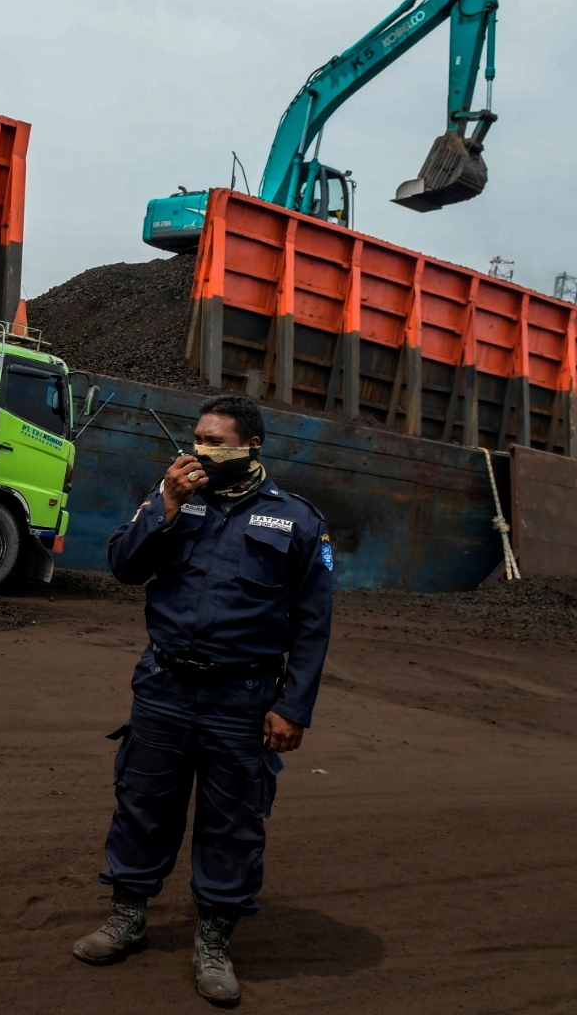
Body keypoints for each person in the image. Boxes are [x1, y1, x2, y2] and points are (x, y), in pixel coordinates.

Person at [71, 394, 333, 1006]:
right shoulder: (172, 499)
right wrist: (164, 506)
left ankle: (213, 943)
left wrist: (294, 707)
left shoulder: (296, 521)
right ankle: (126, 920)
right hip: (164, 687)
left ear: (251, 447)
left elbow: (313, 624)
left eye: (216, 442)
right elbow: (124, 566)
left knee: (232, 822)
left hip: (241, 699)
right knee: (143, 804)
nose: (201, 451)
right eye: (197, 439)